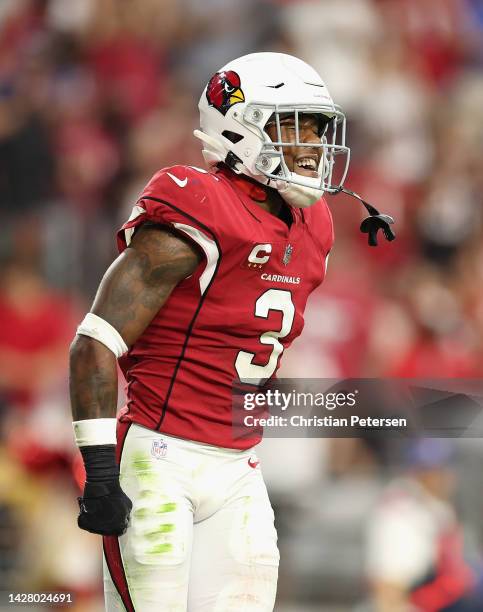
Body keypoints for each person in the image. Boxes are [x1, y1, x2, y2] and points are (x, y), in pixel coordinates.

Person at [69, 52, 373, 611]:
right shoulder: (196, 201)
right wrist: (101, 475)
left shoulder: (316, 223)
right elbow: (94, 342)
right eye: (293, 125)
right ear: (240, 127)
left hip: (238, 467)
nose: (312, 144)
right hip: (159, 460)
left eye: (317, 126)